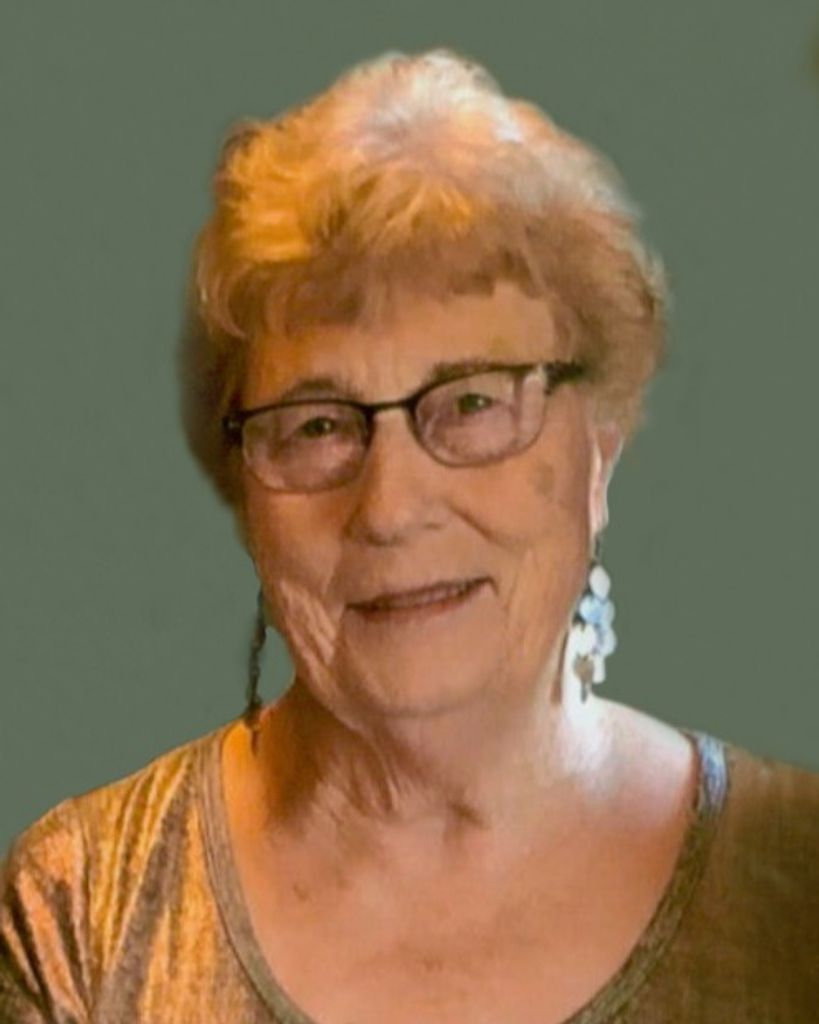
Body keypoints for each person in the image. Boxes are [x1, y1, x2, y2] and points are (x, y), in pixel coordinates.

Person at [1, 48, 818, 1024]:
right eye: (317, 424)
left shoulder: (795, 876)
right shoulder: (83, 909)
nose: (389, 506)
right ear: (246, 497)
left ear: (598, 450)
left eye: (471, 402)